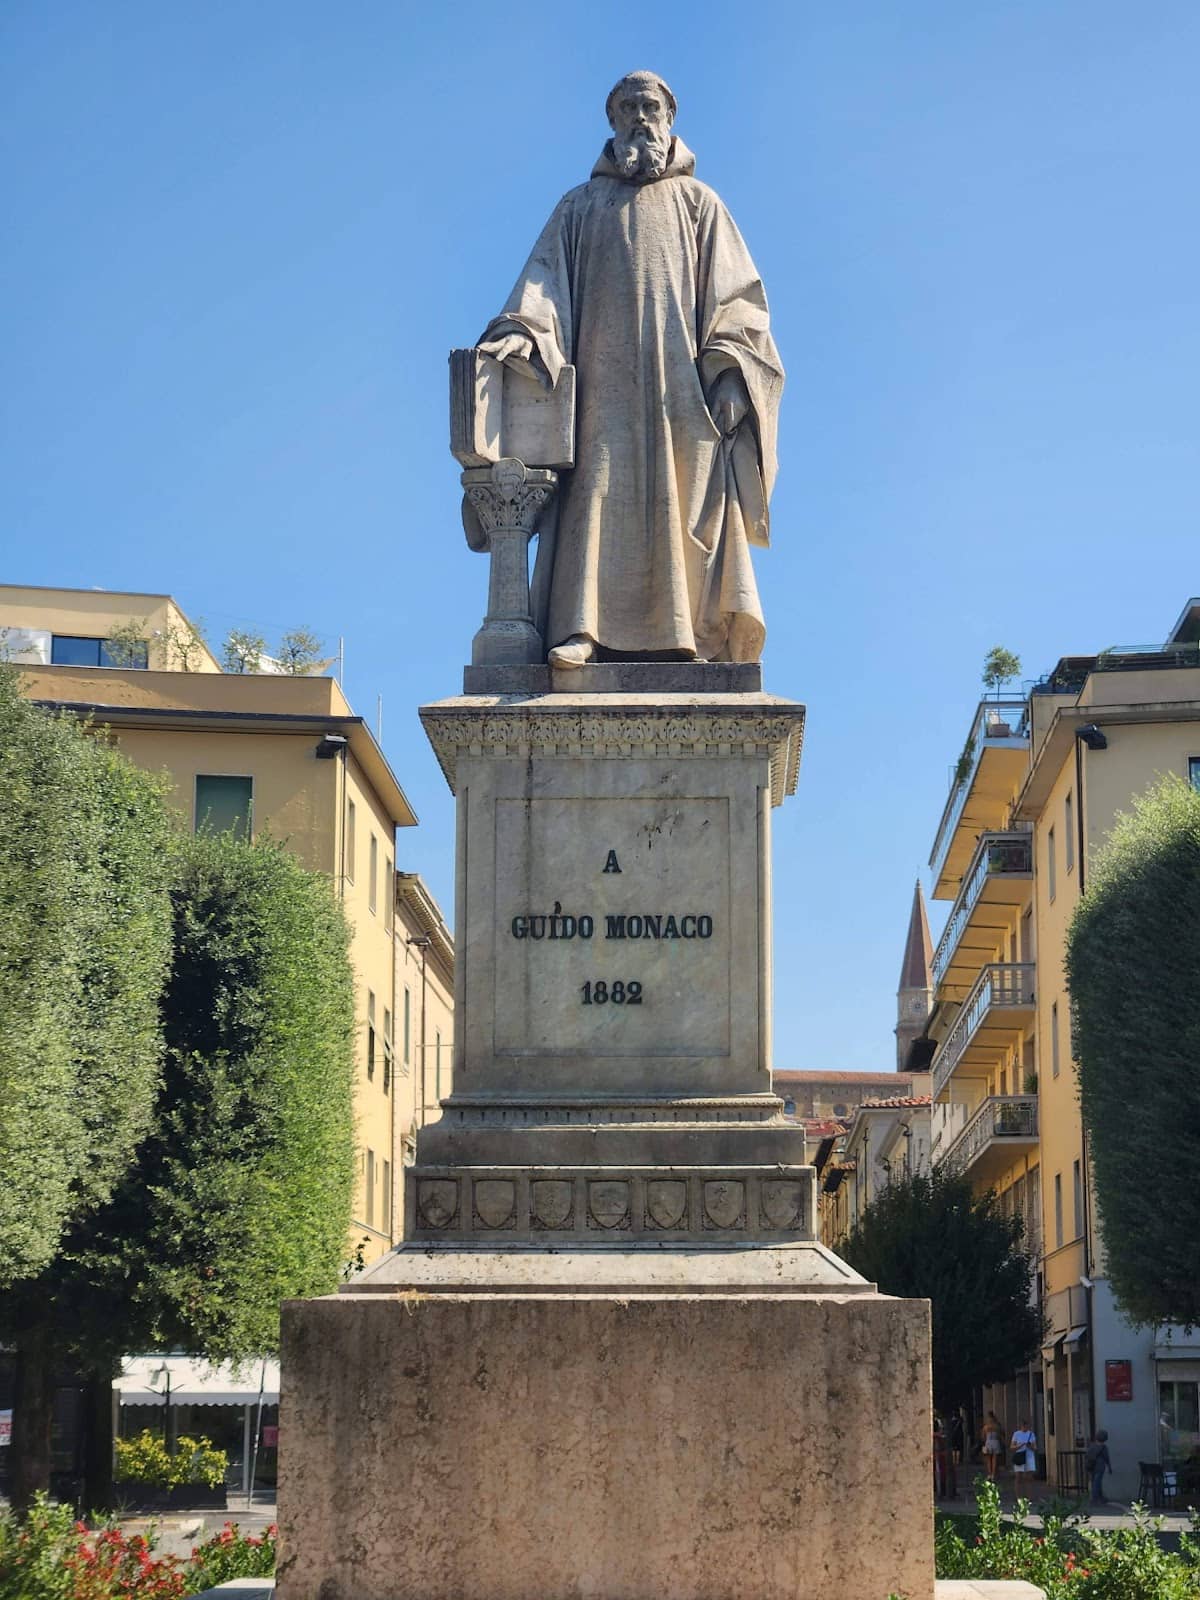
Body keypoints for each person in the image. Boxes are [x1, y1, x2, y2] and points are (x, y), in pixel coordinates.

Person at [476, 71, 784, 669]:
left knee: (686, 507)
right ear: (612, 124)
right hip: (600, 395)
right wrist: (521, 330)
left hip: (683, 397)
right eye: (627, 108)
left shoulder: (701, 205)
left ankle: (691, 637)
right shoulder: (580, 207)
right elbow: (542, 288)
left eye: (651, 106)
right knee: (596, 496)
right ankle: (582, 628)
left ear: (670, 118)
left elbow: (740, 303)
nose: (640, 117)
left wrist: (730, 376)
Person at [1085, 1429, 1111, 1505]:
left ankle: (1098, 1497)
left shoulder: (1092, 1445)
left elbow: (1087, 1455)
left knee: (1094, 1482)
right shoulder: (1104, 1447)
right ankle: (1096, 1498)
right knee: (1097, 1482)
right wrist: (1109, 1467)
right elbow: (1106, 1458)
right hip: (1100, 1467)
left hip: (1092, 1466)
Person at [1010, 1418, 1037, 1483]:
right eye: (1023, 1426)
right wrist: (1019, 1446)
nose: (1025, 1427)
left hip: (1029, 1456)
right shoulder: (1016, 1434)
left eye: (1026, 1426)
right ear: (1021, 1426)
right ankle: (1018, 1493)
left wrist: (1029, 1446)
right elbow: (1011, 1447)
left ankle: (1028, 1493)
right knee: (1018, 1477)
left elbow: (1035, 1447)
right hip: (1020, 1456)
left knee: (1028, 1478)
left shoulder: (1031, 1434)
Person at [980, 1411, 1003, 1479]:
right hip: (996, 1441)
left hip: (988, 1442)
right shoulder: (997, 1426)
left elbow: (983, 1436)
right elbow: (1000, 1435)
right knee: (994, 1459)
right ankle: (993, 1474)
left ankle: (989, 1474)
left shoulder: (986, 1426)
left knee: (988, 1459)